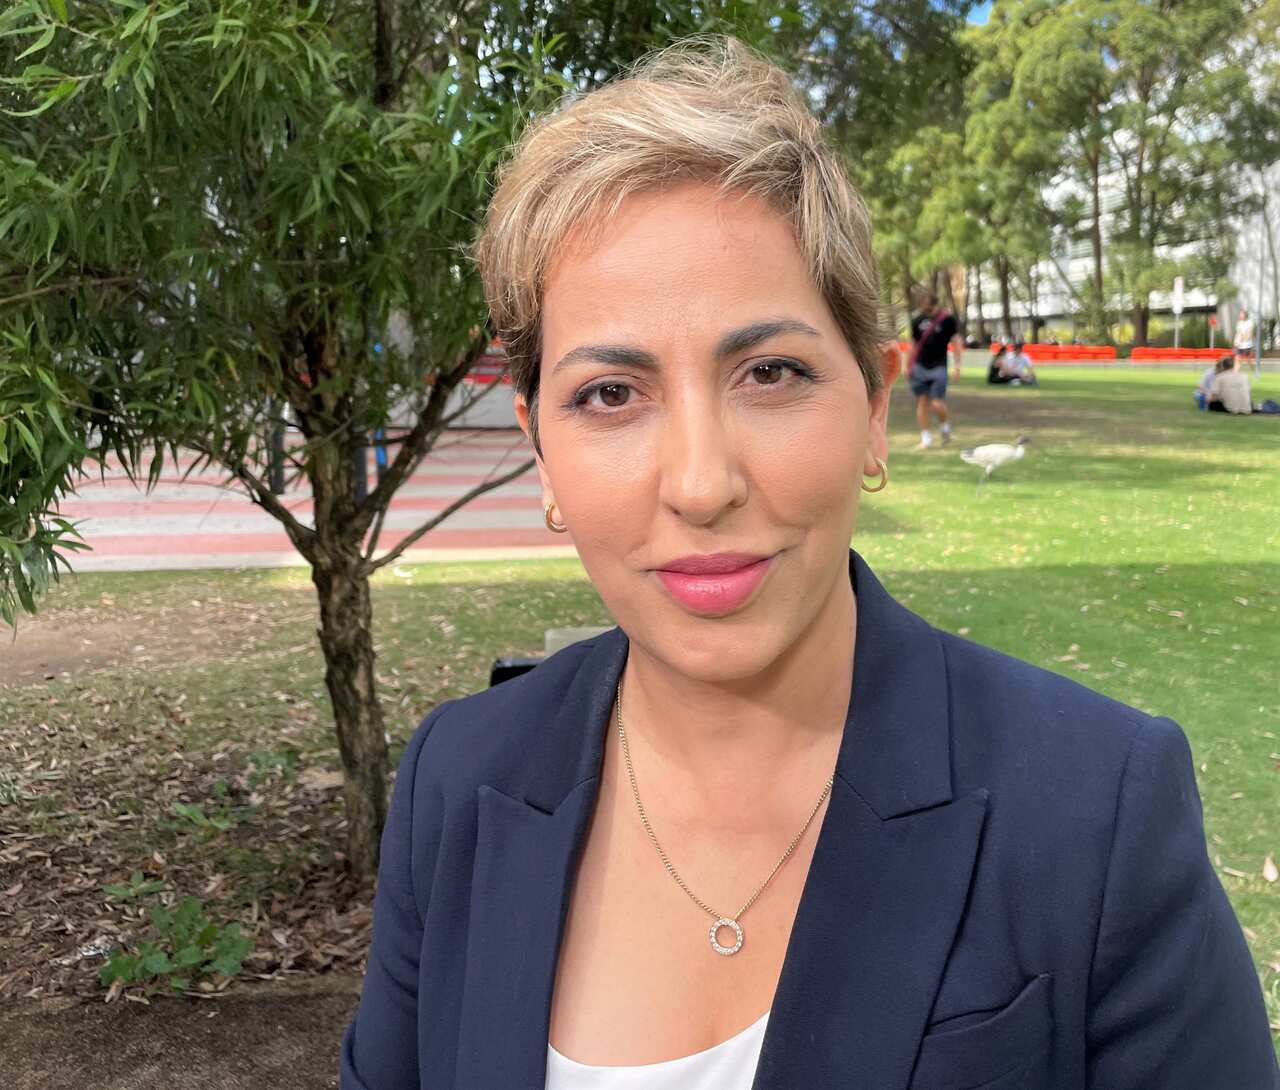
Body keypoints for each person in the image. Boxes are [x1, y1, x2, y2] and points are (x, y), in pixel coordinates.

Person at [339, 37, 1278, 1090]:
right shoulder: (457, 783)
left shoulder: (1093, 810)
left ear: (874, 406)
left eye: (769, 372)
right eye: (610, 393)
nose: (700, 483)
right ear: (540, 444)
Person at [908, 292, 961, 448]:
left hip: (939, 367)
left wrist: (957, 366)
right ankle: (925, 438)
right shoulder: (917, 320)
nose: (924, 306)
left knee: (936, 403)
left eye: (926, 302)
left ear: (933, 303)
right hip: (919, 366)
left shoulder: (947, 320)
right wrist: (907, 365)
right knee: (922, 403)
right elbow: (912, 344)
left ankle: (944, 426)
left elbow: (956, 341)